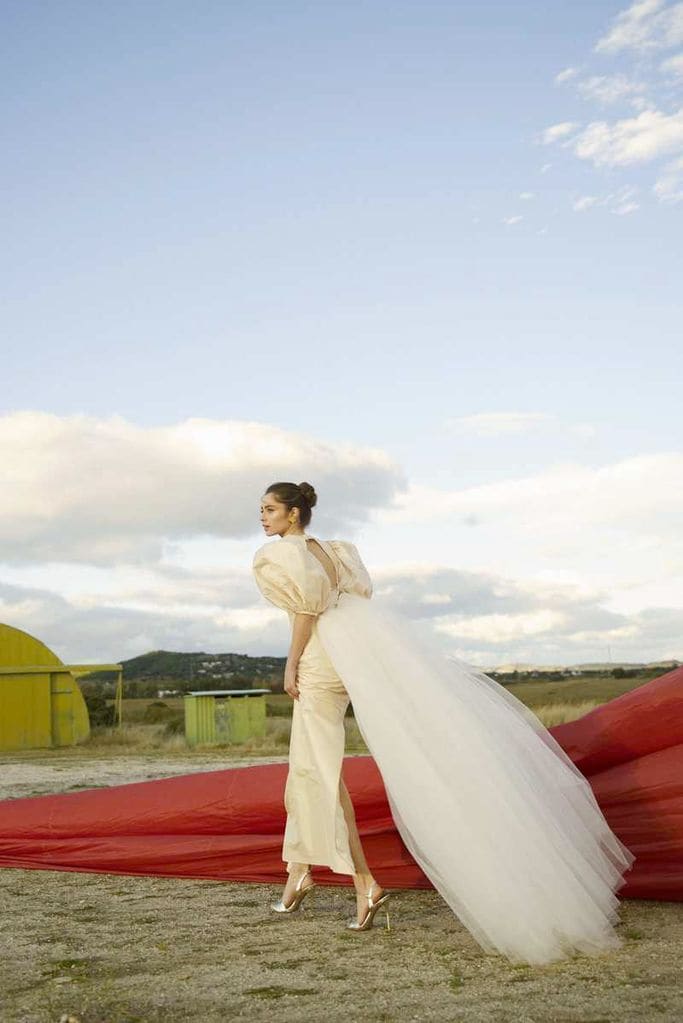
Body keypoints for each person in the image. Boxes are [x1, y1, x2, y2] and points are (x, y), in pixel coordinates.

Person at [252, 481, 636, 963]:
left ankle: (359, 881)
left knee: (314, 769)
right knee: (320, 765)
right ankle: (301, 872)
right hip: (358, 649)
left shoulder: (279, 556)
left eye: (269, 509)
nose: (262, 517)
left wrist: (289, 666)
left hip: (322, 658)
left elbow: (304, 613)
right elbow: (351, 597)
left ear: (292, 515)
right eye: (262, 510)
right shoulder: (335, 551)